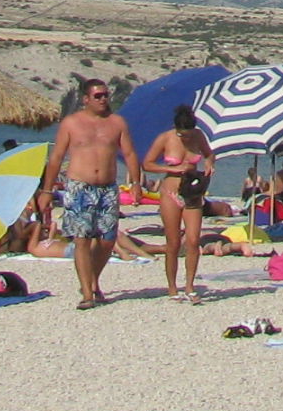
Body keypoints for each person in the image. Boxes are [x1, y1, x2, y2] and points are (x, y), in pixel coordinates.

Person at [37, 78, 139, 311]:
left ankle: (93, 279)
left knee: (106, 240)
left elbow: (131, 154)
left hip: (107, 188)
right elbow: (56, 158)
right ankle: (87, 291)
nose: (103, 99)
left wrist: (135, 182)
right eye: (98, 96)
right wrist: (46, 190)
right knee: (82, 240)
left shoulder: (117, 123)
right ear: (85, 99)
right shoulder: (71, 123)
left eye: (105, 95)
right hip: (79, 187)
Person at [143, 105, 215, 300]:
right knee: (173, 242)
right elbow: (147, 163)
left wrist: (209, 162)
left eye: (189, 135)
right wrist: (172, 169)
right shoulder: (165, 138)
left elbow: (209, 153)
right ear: (176, 130)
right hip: (171, 191)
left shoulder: (198, 136)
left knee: (193, 240)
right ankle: (172, 287)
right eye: (183, 136)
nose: (187, 139)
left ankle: (190, 286)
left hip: (192, 191)